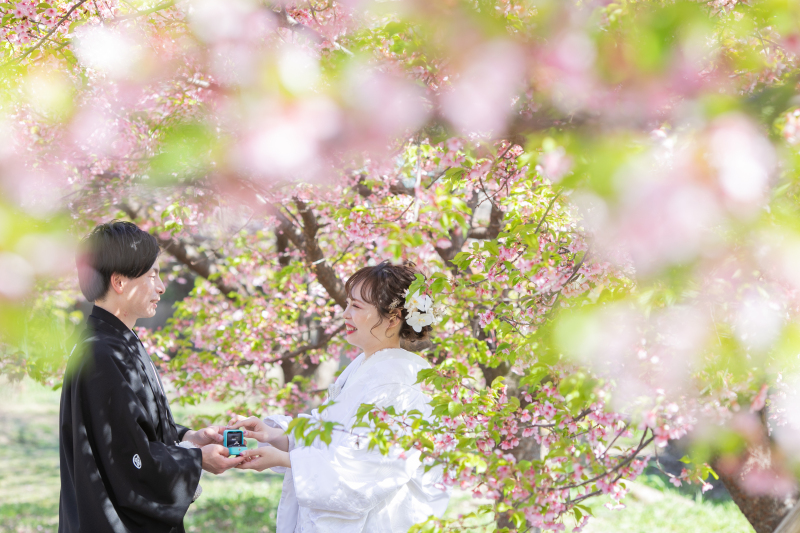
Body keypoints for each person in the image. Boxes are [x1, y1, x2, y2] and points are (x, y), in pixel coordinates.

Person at [228, 261, 450, 533]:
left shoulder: (399, 379)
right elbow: (333, 432)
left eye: (356, 306)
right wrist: (274, 435)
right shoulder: (365, 365)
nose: (345, 314)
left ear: (393, 319)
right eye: (347, 304)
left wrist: (285, 459)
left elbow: (370, 468)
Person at [59, 221, 244, 533]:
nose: (161, 287)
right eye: (152, 275)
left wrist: (187, 439)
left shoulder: (118, 341)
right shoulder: (100, 353)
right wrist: (197, 460)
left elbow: (135, 429)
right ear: (119, 282)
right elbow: (128, 459)